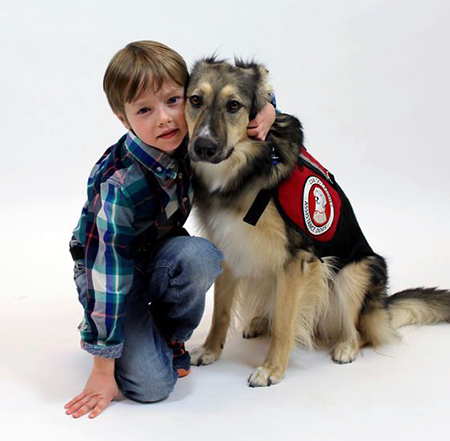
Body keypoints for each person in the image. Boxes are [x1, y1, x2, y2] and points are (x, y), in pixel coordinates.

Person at [64, 40, 276, 419]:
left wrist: (270, 108)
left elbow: (237, 89)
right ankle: (110, 335)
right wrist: (102, 368)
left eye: (173, 101)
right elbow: (106, 273)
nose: (164, 118)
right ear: (122, 118)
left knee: (203, 256)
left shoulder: (188, 143)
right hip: (111, 275)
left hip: (160, 259)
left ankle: (167, 336)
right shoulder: (118, 185)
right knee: (153, 387)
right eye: (144, 110)